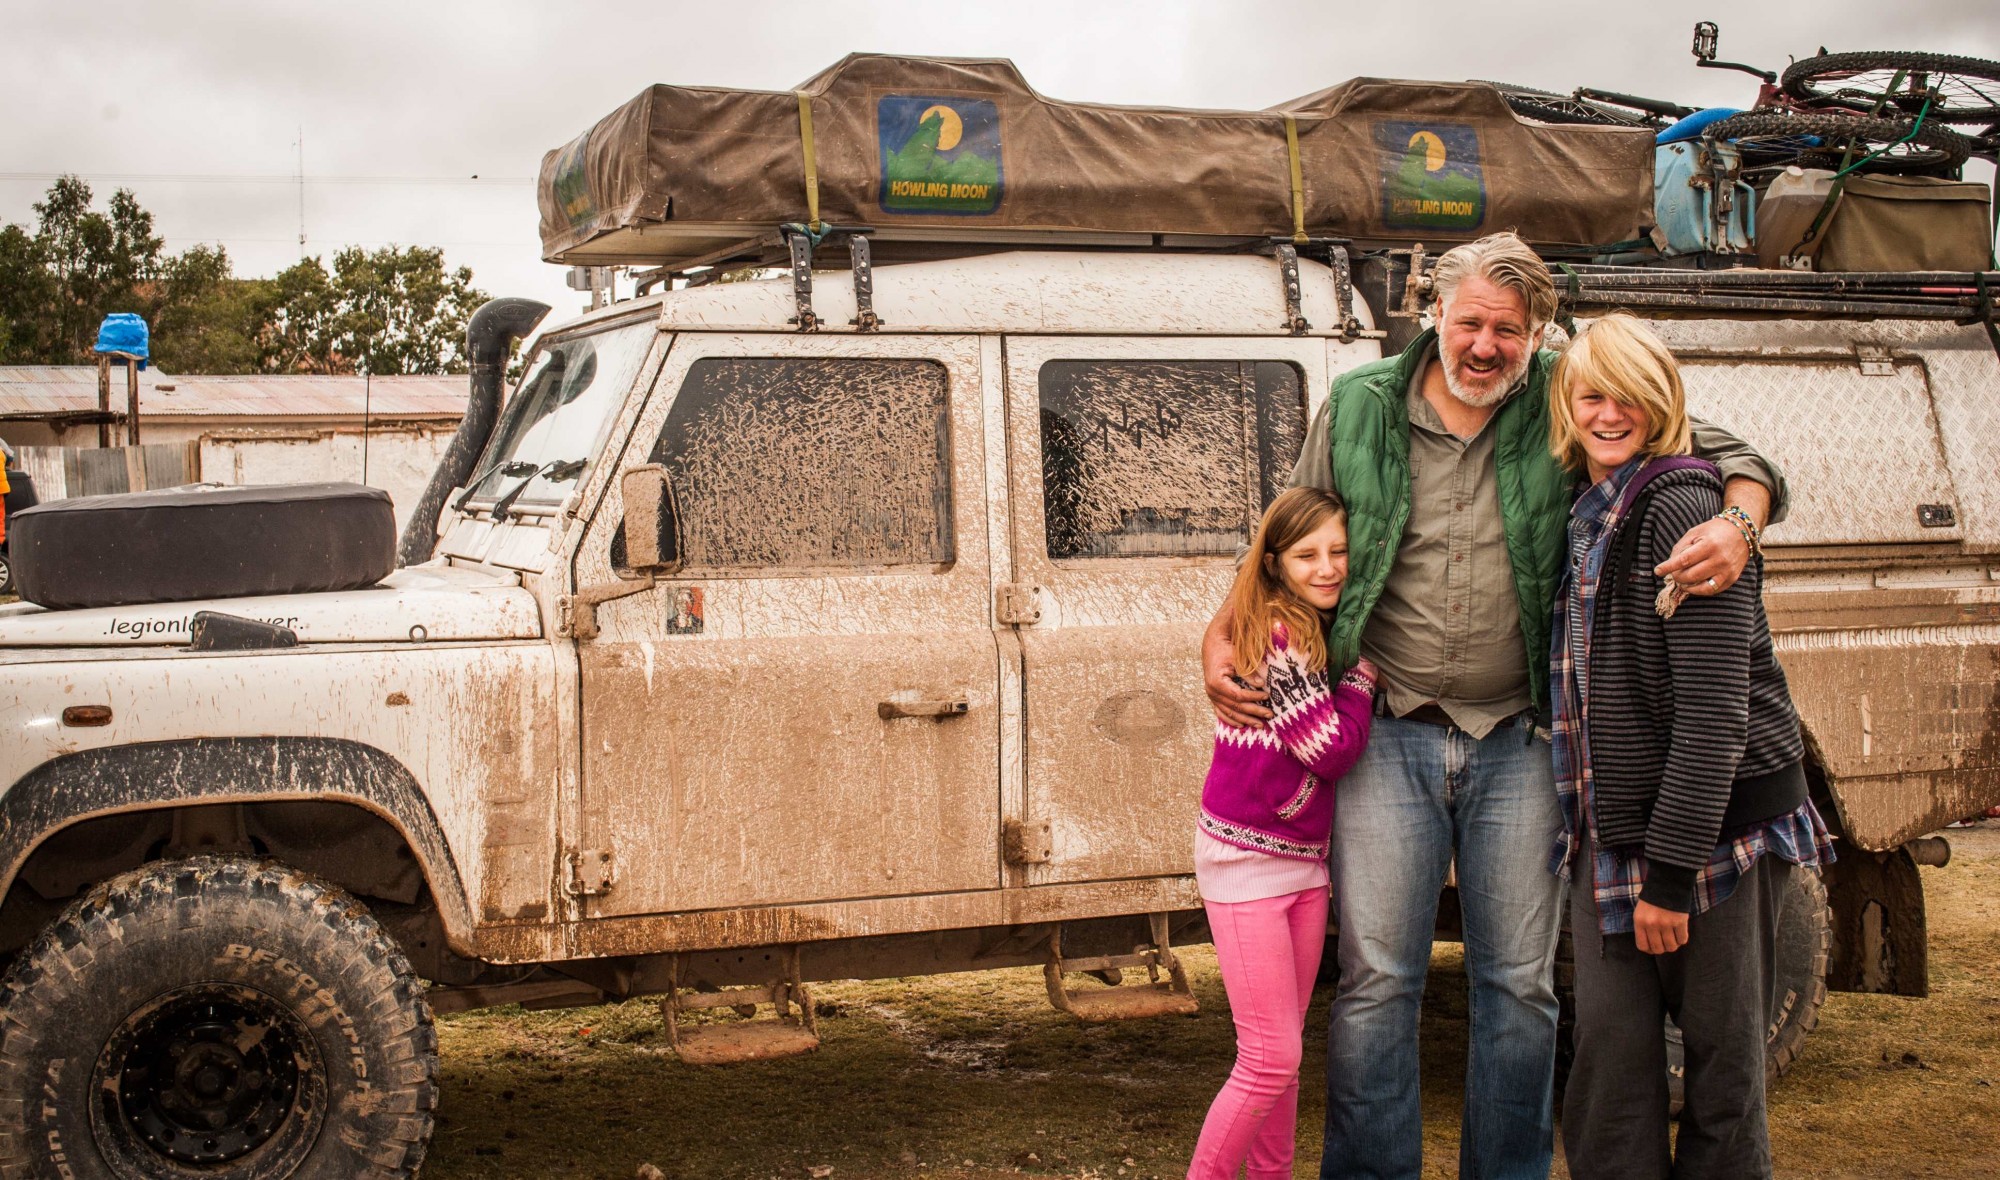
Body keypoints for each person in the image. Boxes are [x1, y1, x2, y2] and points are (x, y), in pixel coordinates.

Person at [1200, 231, 1790, 1180]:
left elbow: (1723, 448)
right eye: (1469, 322)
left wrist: (1738, 520)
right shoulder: (1358, 405)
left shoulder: (1568, 390)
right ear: (1433, 312)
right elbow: (1290, 528)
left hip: (1523, 737)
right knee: (1376, 980)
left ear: (1537, 333)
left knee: (1517, 986)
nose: (1485, 346)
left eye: (1507, 331)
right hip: (1385, 732)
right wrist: (1222, 626)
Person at [1546, 313, 1832, 1180]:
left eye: (1630, 395)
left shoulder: (1684, 508)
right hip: (1618, 824)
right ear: (1566, 401)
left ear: (1664, 401)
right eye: (1592, 393)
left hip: (1713, 840)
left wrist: (1669, 879)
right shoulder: (1588, 506)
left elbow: (1715, 718)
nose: (1608, 412)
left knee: (1720, 1077)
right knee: (1609, 1072)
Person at [1190, 486, 1376, 1180]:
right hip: (1247, 862)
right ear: (1272, 563)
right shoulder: (1278, 636)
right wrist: (1361, 680)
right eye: (1307, 556)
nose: (1327, 567)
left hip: (1302, 861)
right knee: (1269, 1058)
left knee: (1285, 1057)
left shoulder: (1308, 624)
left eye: (1339, 553)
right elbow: (1328, 749)